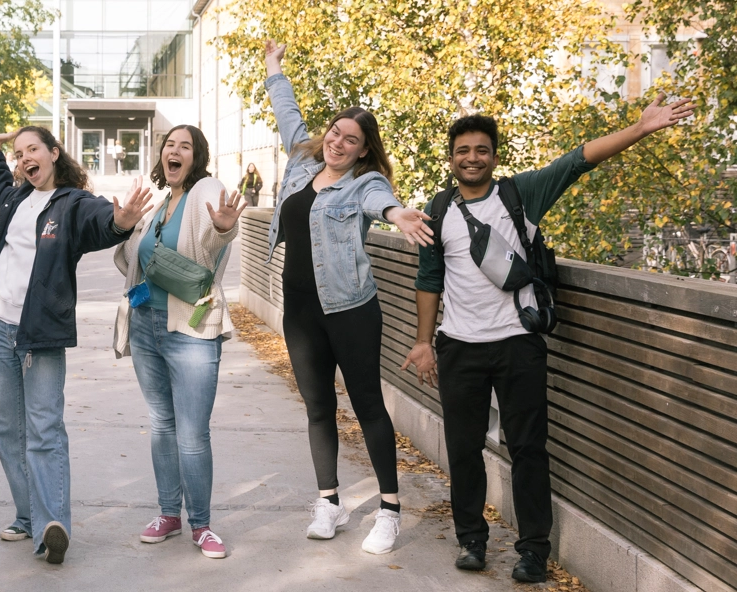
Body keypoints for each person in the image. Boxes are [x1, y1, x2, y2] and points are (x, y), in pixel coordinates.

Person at [401, 99, 693, 582]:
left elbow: (577, 160)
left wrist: (640, 128)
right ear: (450, 158)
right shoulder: (437, 210)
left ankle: (533, 550)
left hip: (519, 344)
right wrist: (423, 341)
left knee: (529, 449)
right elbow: (429, 279)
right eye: (462, 151)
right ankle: (471, 540)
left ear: (494, 156)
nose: (471, 158)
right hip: (459, 347)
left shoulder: (522, 195)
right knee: (464, 448)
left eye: (481, 150)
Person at [260, 40, 435, 555]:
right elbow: (285, 111)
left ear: (363, 149)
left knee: (367, 407)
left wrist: (397, 214)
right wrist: (275, 67)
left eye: (350, 140)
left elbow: (382, 200)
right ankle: (329, 502)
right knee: (317, 408)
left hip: (352, 311)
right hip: (301, 313)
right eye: (335, 132)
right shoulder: (300, 160)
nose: (338, 143)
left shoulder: (365, 182)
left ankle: (389, 510)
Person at [0, 126, 153, 564]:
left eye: (32, 149)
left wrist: (122, 220)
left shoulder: (72, 202)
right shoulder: (15, 198)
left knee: (44, 430)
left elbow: (101, 223)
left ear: (54, 153)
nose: (24, 159)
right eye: (20, 154)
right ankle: (27, 513)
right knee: (5, 430)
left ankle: (50, 526)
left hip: (38, 333)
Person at [113, 125, 243, 559]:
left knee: (192, 433)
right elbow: (133, 258)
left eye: (185, 146)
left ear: (197, 156)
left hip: (190, 329)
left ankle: (201, 525)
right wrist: (126, 227)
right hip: (147, 323)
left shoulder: (205, 189)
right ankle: (169, 512)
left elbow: (209, 243)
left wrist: (224, 230)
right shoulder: (158, 201)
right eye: (170, 145)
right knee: (161, 425)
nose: (175, 151)